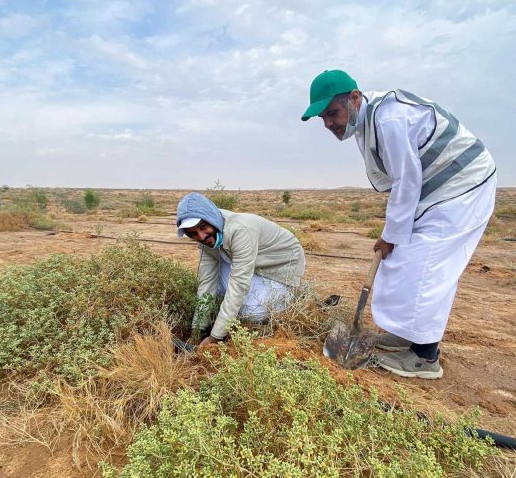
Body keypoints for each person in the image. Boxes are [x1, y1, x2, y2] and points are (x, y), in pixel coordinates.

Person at [301, 70, 496, 379]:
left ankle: (425, 356)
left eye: (332, 114)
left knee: (425, 266)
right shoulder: (365, 122)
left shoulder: (387, 119)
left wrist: (390, 235)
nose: (328, 124)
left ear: (354, 98)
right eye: (322, 119)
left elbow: (406, 179)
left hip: (461, 187)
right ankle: (408, 335)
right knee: (402, 262)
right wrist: (390, 235)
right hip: (433, 192)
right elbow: (400, 181)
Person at [176, 192, 306, 348]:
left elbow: (239, 285)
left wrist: (215, 337)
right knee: (215, 291)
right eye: (192, 234)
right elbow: (206, 283)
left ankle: (292, 297)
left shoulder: (240, 230)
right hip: (254, 262)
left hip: (281, 267)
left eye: (203, 227)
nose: (201, 236)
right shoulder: (208, 238)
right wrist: (197, 330)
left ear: (211, 218)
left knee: (251, 313)